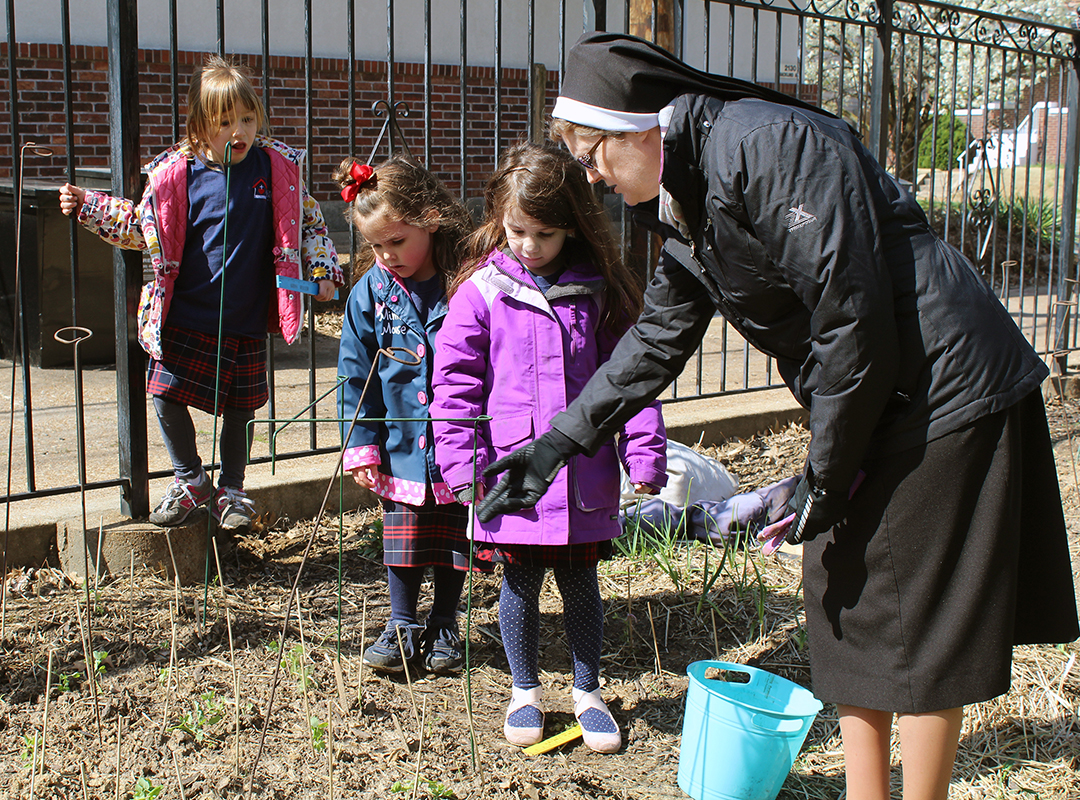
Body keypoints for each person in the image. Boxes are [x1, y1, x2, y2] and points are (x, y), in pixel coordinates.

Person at [479, 32, 1079, 798]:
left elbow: (851, 318)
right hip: (875, 396)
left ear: (644, 125)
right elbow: (655, 342)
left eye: (592, 153)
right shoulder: (688, 195)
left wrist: (825, 473)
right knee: (845, 597)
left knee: (920, 621)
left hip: (943, 389)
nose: (590, 178)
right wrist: (552, 448)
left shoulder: (765, 148)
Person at [431, 142, 667, 752]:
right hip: (512, 474)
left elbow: (631, 380)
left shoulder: (600, 293)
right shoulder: (482, 293)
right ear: (499, 221)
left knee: (583, 585)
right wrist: (461, 464)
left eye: (547, 233)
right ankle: (524, 691)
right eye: (518, 231)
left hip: (583, 472)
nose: (530, 245)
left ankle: (588, 691)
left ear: (575, 228)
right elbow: (454, 386)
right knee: (519, 585)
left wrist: (643, 453)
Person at [59, 56, 342, 533]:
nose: (240, 130)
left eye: (247, 119)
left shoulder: (275, 171)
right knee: (164, 393)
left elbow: (308, 223)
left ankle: (232, 490)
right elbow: (139, 226)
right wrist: (89, 206)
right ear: (199, 129)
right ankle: (191, 480)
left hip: (246, 316)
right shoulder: (178, 176)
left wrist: (323, 269)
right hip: (186, 313)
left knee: (241, 406)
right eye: (225, 122)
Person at [333, 155, 479, 675]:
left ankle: (443, 621)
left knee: (452, 537)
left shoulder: (467, 280)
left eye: (397, 242)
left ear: (431, 220)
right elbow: (357, 374)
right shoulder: (370, 293)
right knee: (405, 533)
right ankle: (400, 621)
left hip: (459, 444)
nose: (386, 256)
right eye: (375, 245)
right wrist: (361, 444)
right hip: (400, 445)